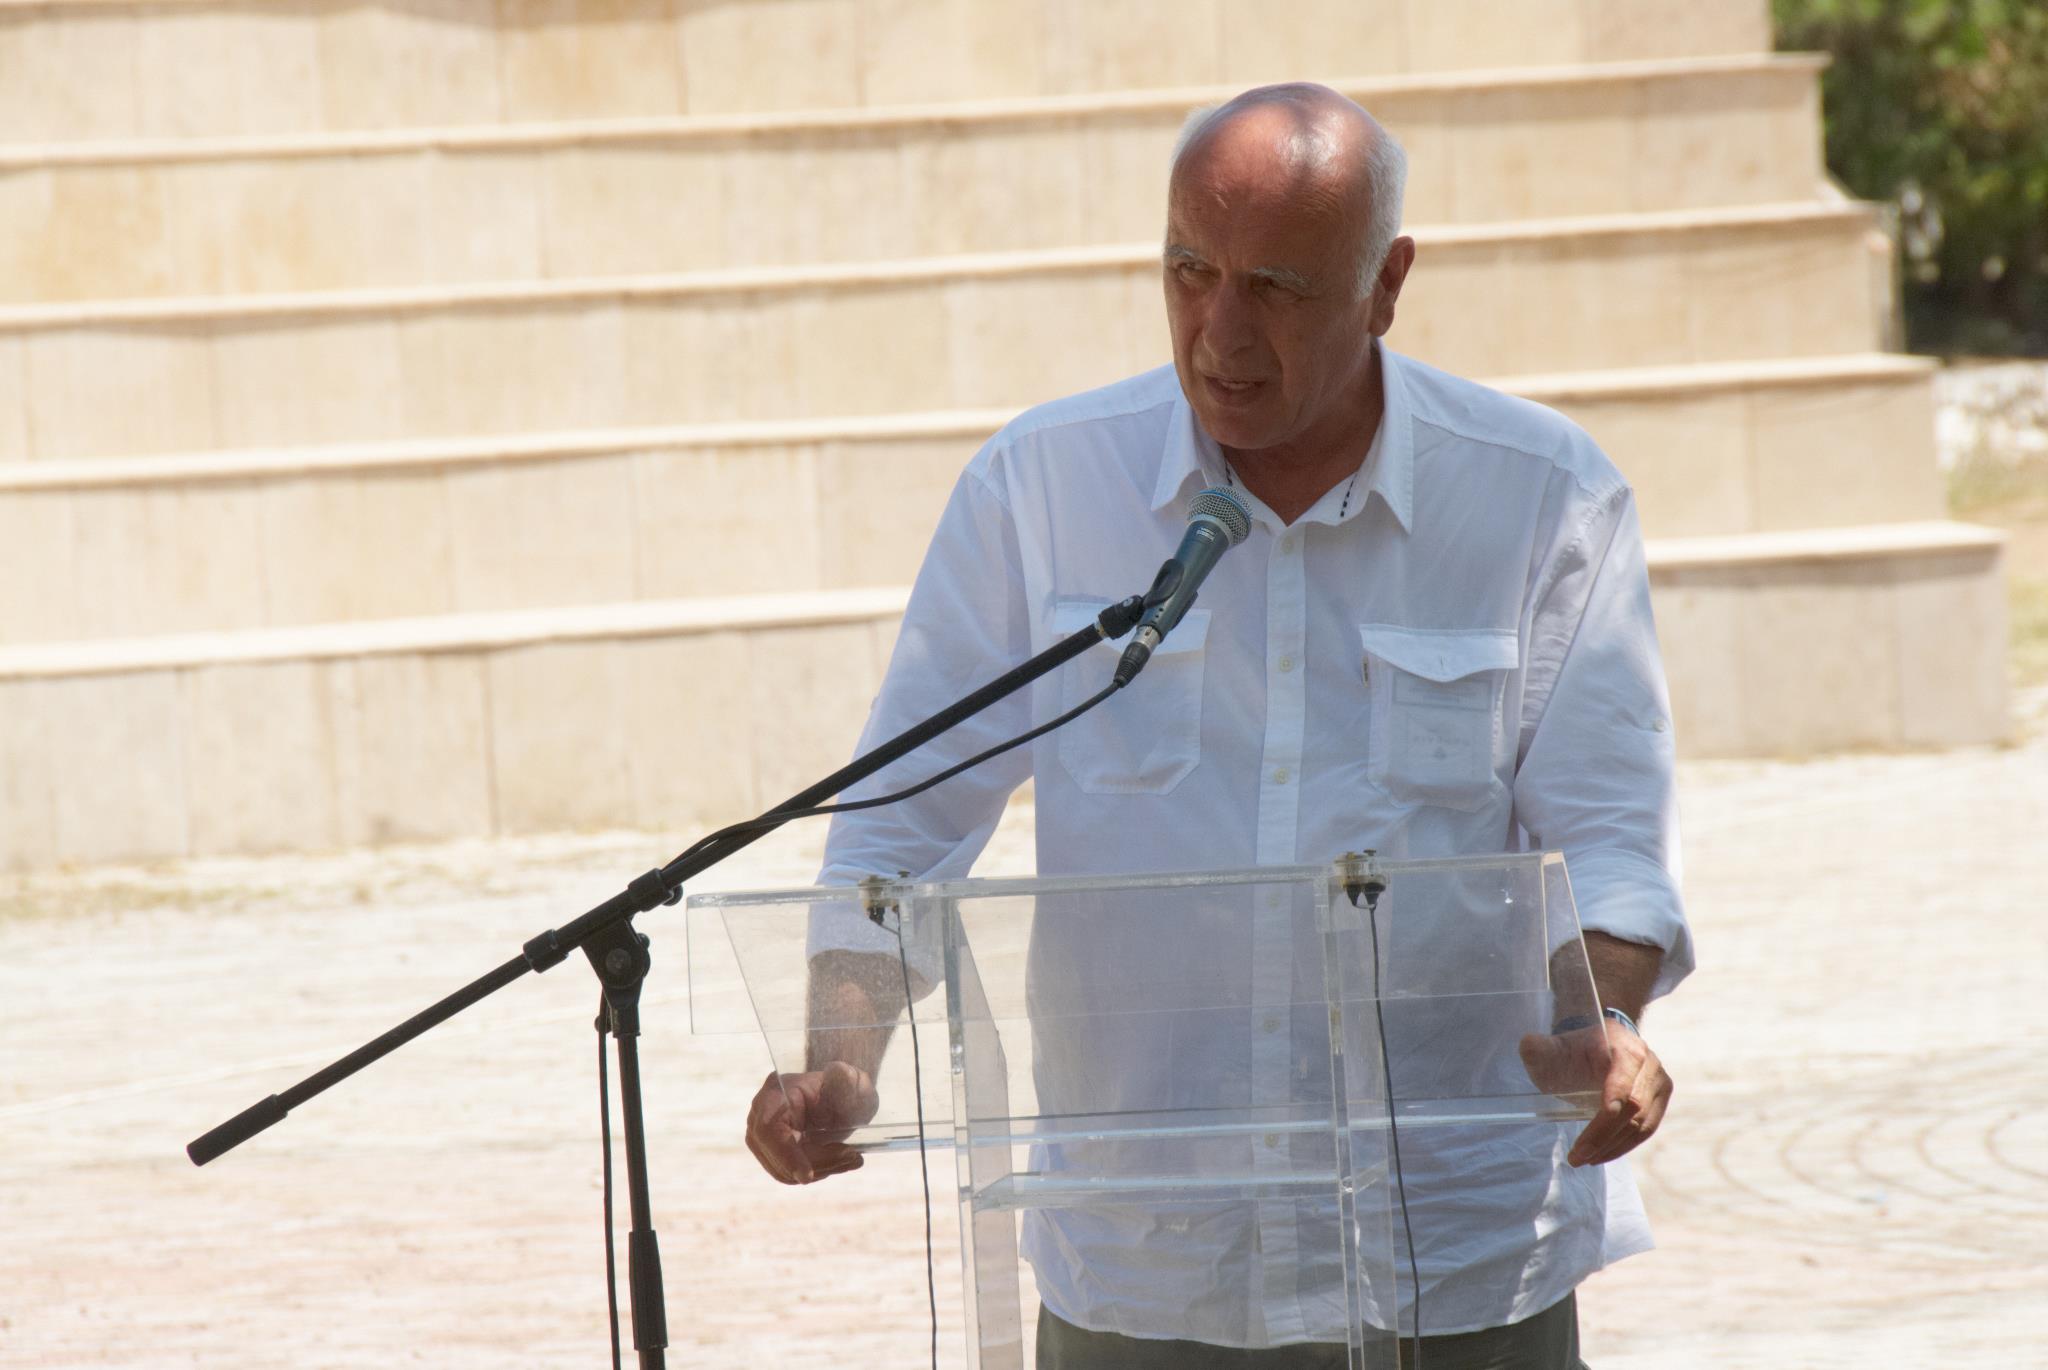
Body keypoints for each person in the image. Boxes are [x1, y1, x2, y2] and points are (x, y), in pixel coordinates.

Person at [744, 83, 1691, 1368]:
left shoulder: (1540, 497)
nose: (1219, 330)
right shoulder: (1043, 487)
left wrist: (1601, 1017)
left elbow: (1608, 836)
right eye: (1188, 270)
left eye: (1276, 287)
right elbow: (899, 822)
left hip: (1450, 1255)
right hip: (1145, 1263)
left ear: (1386, 284)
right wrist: (839, 1055)